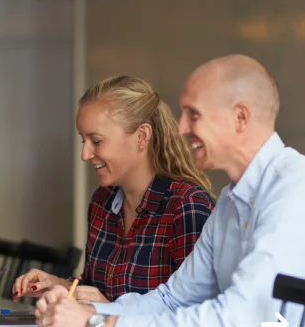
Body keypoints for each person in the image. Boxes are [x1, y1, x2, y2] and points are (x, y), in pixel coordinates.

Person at [35, 55, 305, 327]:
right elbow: (172, 298)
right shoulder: (233, 202)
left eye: (194, 114)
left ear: (240, 118)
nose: (180, 128)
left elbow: (238, 322)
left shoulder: (299, 189)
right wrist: (86, 314)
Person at [13, 75, 214, 305]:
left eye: (96, 141)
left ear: (142, 136)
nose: (85, 155)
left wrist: (111, 313)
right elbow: (95, 289)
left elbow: (199, 316)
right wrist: (60, 285)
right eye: (83, 141)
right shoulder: (103, 201)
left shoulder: (187, 208)